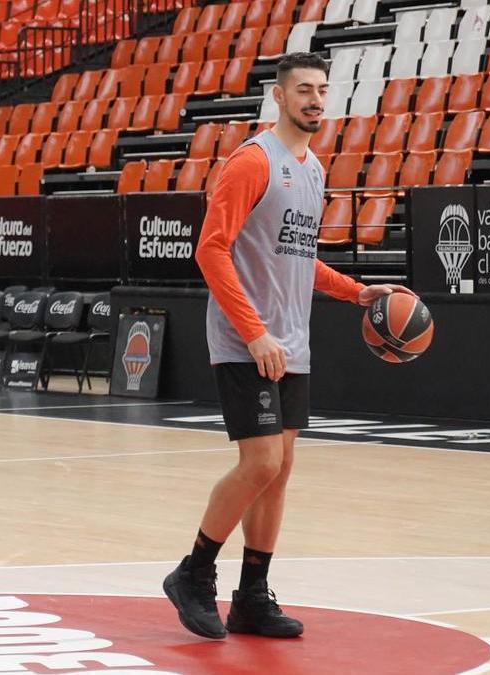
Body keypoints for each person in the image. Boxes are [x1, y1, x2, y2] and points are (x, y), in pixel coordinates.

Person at [163, 52, 415, 639]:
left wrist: (357, 292)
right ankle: (194, 573)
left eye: (322, 89)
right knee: (263, 462)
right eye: (303, 89)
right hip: (245, 340)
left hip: (291, 343)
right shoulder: (253, 162)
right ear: (278, 96)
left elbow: (299, 260)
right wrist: (253, 331)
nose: (315, 100)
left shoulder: (314, 169)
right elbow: (210, 249)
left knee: (281, 471)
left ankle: (252, 594)